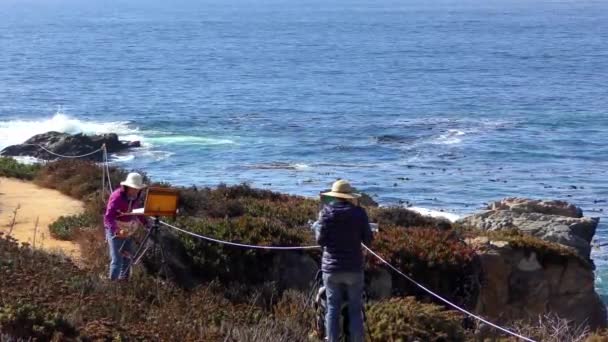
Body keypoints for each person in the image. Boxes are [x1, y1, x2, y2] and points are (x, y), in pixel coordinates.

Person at [314, 179, 373, 342]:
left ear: (334, 195)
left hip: (331, 270)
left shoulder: (326, 212)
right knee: (355, 310)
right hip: (354, 268)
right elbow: (368, 239)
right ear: (350, 196)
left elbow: (320, 240)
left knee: (332, 308)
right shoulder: (359, 213)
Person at [103, 172, 148, 281]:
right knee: (117, 259)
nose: (136, 191)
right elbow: (108, 217)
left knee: (127, 258)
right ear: (127, 187)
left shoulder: (136, 197)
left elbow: (136, 212)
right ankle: (112, 285)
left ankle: (123, 283)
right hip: (115, 230)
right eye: (134, 188)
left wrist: (146, 223)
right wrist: (116, 230)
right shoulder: (116, 197)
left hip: (128, 230)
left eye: (138, 188)